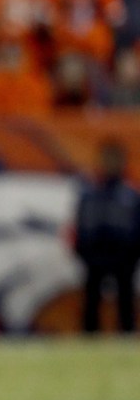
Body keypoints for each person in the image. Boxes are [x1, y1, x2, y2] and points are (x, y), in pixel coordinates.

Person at [74, 138, 140, 333]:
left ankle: (127, 334)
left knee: (125, 300)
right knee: (91, 300)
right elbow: (81, 225)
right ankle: (89, 337)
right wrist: (85, 252)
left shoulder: (131, 195)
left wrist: (132, 253)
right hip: (95, 256)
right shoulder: (89, 193)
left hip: (124, 257)